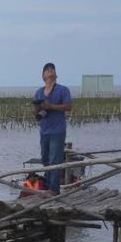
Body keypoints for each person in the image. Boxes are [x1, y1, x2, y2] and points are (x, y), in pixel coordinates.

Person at [33, 62, 73, 195]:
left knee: (55, 159)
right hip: (44, 130)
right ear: (43, 75)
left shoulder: (62, 90)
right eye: (47, 69)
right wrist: (39, 107)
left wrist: (51, 106)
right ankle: (48, 186)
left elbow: (68, 106)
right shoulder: (39, 92)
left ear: (55, 74)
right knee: (45, 159)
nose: (50, 70)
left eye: (52, 69)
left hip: (57, 130)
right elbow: (35, 112)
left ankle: (53, 189)